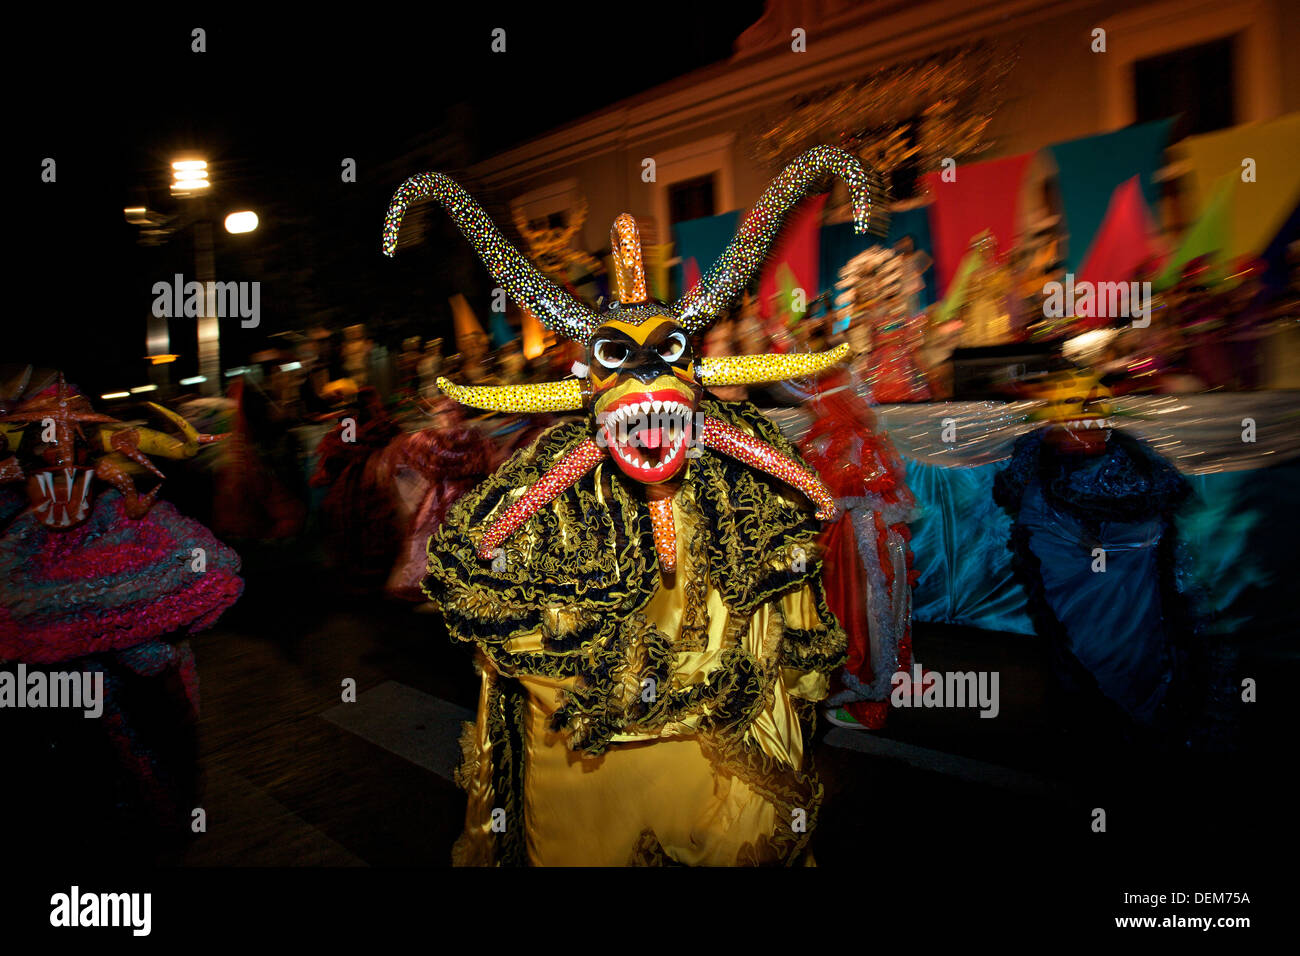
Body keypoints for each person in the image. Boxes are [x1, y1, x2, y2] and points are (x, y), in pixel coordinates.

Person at [383, 145, 887, 865]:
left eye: (669, 355)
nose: (648, 383)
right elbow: (499, 598)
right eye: (620, 359)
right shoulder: (549, 499)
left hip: (710, 763)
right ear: (589, 381)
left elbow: (790, 600)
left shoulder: (744, 493)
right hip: (587, 781)